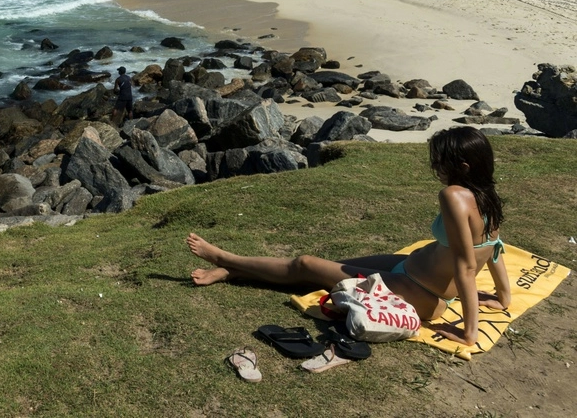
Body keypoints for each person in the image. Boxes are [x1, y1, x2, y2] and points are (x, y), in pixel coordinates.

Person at [185, 126, 510, 347]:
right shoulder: (486, 195)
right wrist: (503, 296)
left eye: (441, 162)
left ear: (464, 167)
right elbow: (496, 249)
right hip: (411, 272)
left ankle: (223, 259)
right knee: (325, 268)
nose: (436, 167)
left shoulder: (454, 195)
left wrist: (470, 331)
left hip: (419, 290)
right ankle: (236, 271)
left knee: (305, 263)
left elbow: (467, 267)